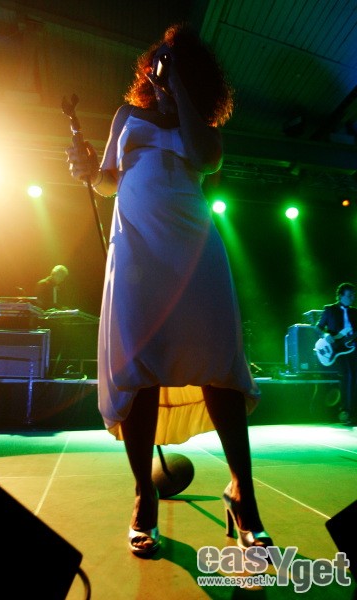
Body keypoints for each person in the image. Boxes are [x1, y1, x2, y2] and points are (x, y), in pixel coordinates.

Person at [66, 23, 272, 556]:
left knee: (218, 362)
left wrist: (177, 90)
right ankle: (144, 496)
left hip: (193, 246)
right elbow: (108, 179)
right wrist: (87, 169)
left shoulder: (199, 123)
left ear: (193, 75)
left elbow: (207, 159)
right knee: (140, 364)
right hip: (136, 248)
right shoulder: (125, 116)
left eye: (174, 62)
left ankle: (243, 494)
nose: (161, 66)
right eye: (159, 59)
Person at [316, 282, 357, 426]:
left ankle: (351, 412)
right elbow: (318, 327)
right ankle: (345, 412)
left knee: (353, 377)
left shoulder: (355, 312)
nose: (353, 298)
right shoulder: (330, 309)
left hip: (352, 347)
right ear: (340, 296)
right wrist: (326, 335)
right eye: (349, 295)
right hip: (336, 349)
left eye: (353, 295)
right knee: (349, 375)